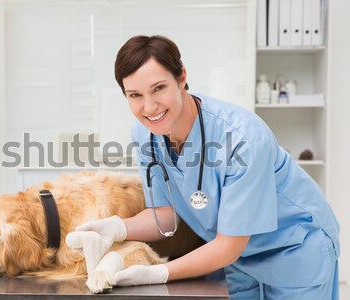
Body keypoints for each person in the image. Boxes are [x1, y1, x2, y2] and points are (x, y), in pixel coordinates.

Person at [72, 35, 340, 299]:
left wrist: (158, 273)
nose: (149, 106)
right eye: (135, 95)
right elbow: (165, 215)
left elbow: (228, 245)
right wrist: (116, 228)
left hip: (295, 249)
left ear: (182, 78)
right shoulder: (145, 135)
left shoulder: (243, 138)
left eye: (159, 88)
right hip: (241, 262)